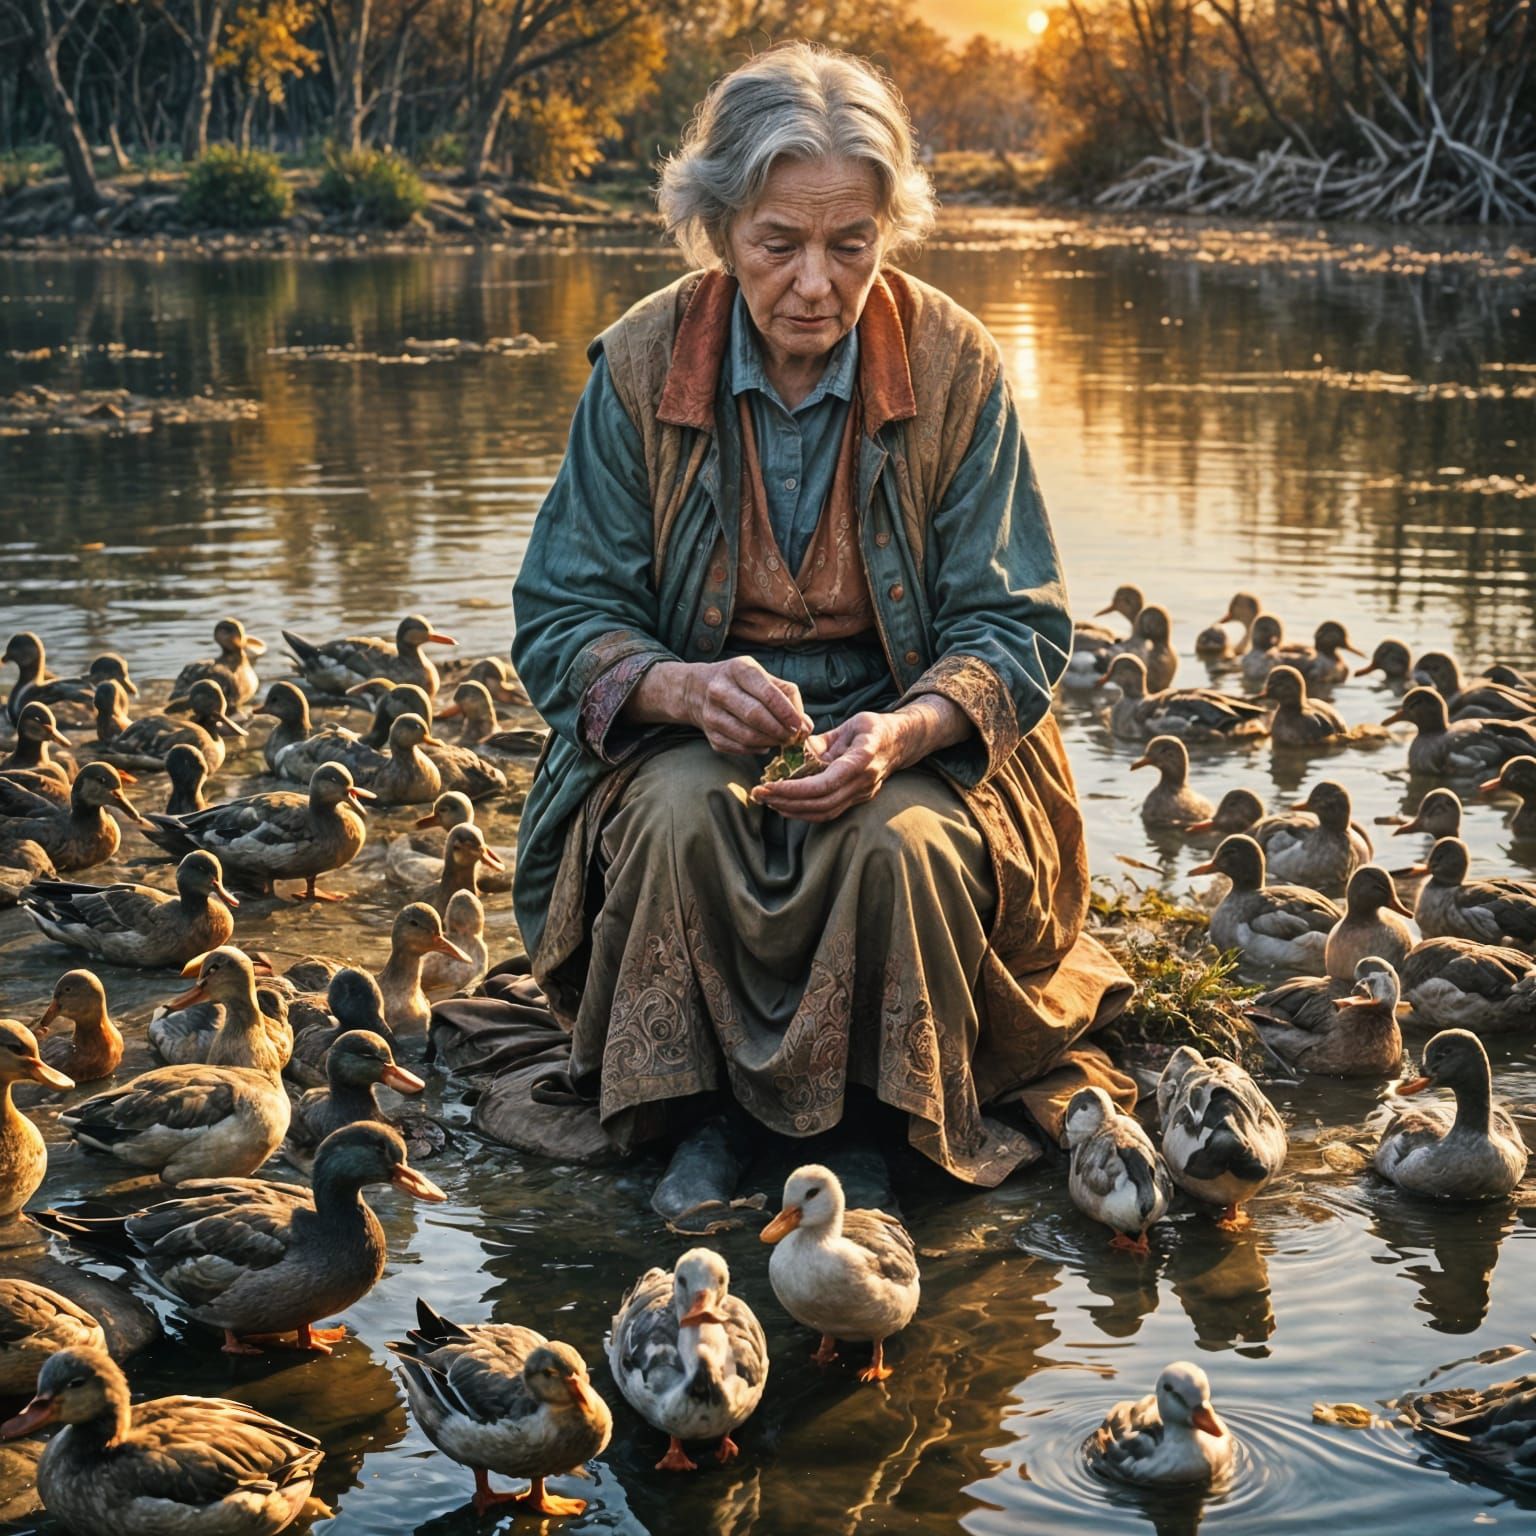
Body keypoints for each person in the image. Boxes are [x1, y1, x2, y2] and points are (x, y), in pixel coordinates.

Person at [511, 42, 1133, 1215]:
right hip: (688, 726)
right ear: (717, 228)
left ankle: (869, 1128)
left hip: (914, 732)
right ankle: (692, 1115)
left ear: (889, 233)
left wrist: (899, 735)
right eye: (778, 244)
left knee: (895, 846)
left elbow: (1016, 621)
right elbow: (563, 613)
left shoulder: (957, 366)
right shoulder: (643, 362)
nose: (815, 282)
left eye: (851, 246)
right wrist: (684, 691)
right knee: (684, 818)